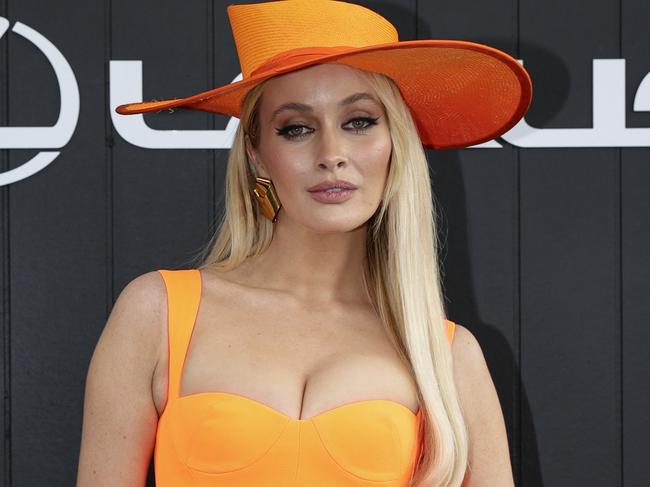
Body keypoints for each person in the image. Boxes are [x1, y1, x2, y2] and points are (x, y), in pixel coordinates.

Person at [76, 1, 531, 486]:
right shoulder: (158, 312)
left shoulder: (446, 355)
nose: (331, 155)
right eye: (296, 128)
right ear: (257, 154)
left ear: (397, 141)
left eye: (359, 121)